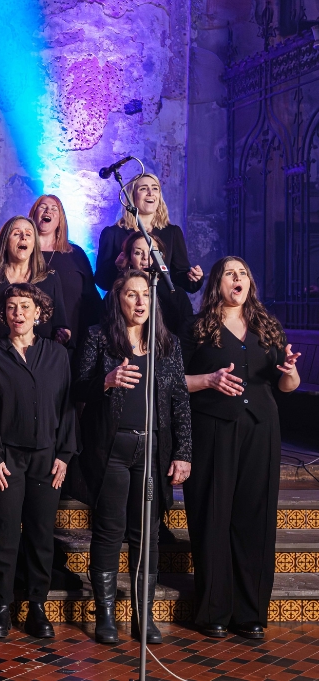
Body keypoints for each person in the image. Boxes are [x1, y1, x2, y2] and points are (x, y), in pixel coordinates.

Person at [183, 256, 301, 639]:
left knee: (255, 517)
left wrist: (291, 373)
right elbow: (172, 381)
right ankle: (213, 610)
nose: (239, 279)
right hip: (212, 429)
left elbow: (286, 387)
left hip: (260, 429)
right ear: (217, 283)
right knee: (212, 516)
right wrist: (208, 380)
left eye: (244, 273)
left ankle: (250, 611)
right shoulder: (198, 328)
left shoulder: (268, 327)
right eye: (230, 273)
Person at [74, 270, 192, 644]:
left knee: (148, 537)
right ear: (118, 299)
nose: (140, 302)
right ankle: (105, 616)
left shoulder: (167, 344)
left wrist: (183, 452)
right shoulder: (98, 338)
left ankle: (145, 616)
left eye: (146, 295)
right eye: (131, 295)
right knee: (109, 532)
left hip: (153, 449)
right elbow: (77, 389)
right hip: (112, 449)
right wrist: (105, 382)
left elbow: (180, 403)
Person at [0, 283, 76, 639]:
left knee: (40, 536)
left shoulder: (57, 355)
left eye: (25, 306)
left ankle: (36, 606)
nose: (19, 313)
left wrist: (64, 454)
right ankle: (1, 606)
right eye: (12, 307)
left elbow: (67, 408)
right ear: (4, 314)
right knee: (3, 535)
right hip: (5, 459)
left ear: (39, 313)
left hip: (47, 459)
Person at [0, 216, 71, 361]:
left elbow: (60, 323)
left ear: (34, 244)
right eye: (17, 233)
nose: (23, 237)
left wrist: (64, 334)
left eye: (29, 234)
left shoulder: (49, 278)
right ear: (5, 242)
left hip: (40, 362)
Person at [95, 173, 204, 295]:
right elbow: (101, 281)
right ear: (132, 196)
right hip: (126, 305)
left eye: (155, 188)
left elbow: (179, 277)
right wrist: (117, 267)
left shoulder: (172, 233)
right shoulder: (112, 234)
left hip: (163, 307)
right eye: (143, 189)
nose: (151, 193)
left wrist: (193, 278)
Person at [29, 194, 101, 342]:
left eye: (54, 209)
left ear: (60, 219)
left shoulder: (75, 254)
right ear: (33, 214)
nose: (48, 211)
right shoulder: (23, 252)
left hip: (73, 341)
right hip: (31, 341)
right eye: (43, 207)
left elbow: (91, 298)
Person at [120, 232, 195, 337]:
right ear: (130, 258)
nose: (146, 257)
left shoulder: (177, 295)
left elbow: (188, 336)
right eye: (138, 253)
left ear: (161, 257)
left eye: (152, 252)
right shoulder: (118, 292)